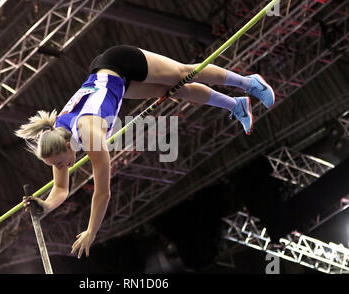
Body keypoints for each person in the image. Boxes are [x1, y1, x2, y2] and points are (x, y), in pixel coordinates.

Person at [16, 45, 275, 259]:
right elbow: (60, 189)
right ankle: (237, 106)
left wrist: (91, 232)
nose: (61, 168)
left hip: (120, 62)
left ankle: (248, 83)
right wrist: (45, 206)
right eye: (56, 165)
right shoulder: (57, 139)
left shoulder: (89, 133)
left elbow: (103, 192)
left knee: (183, 74)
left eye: (60, 163)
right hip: (111, 81)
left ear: (65, 147)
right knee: (175, 91)